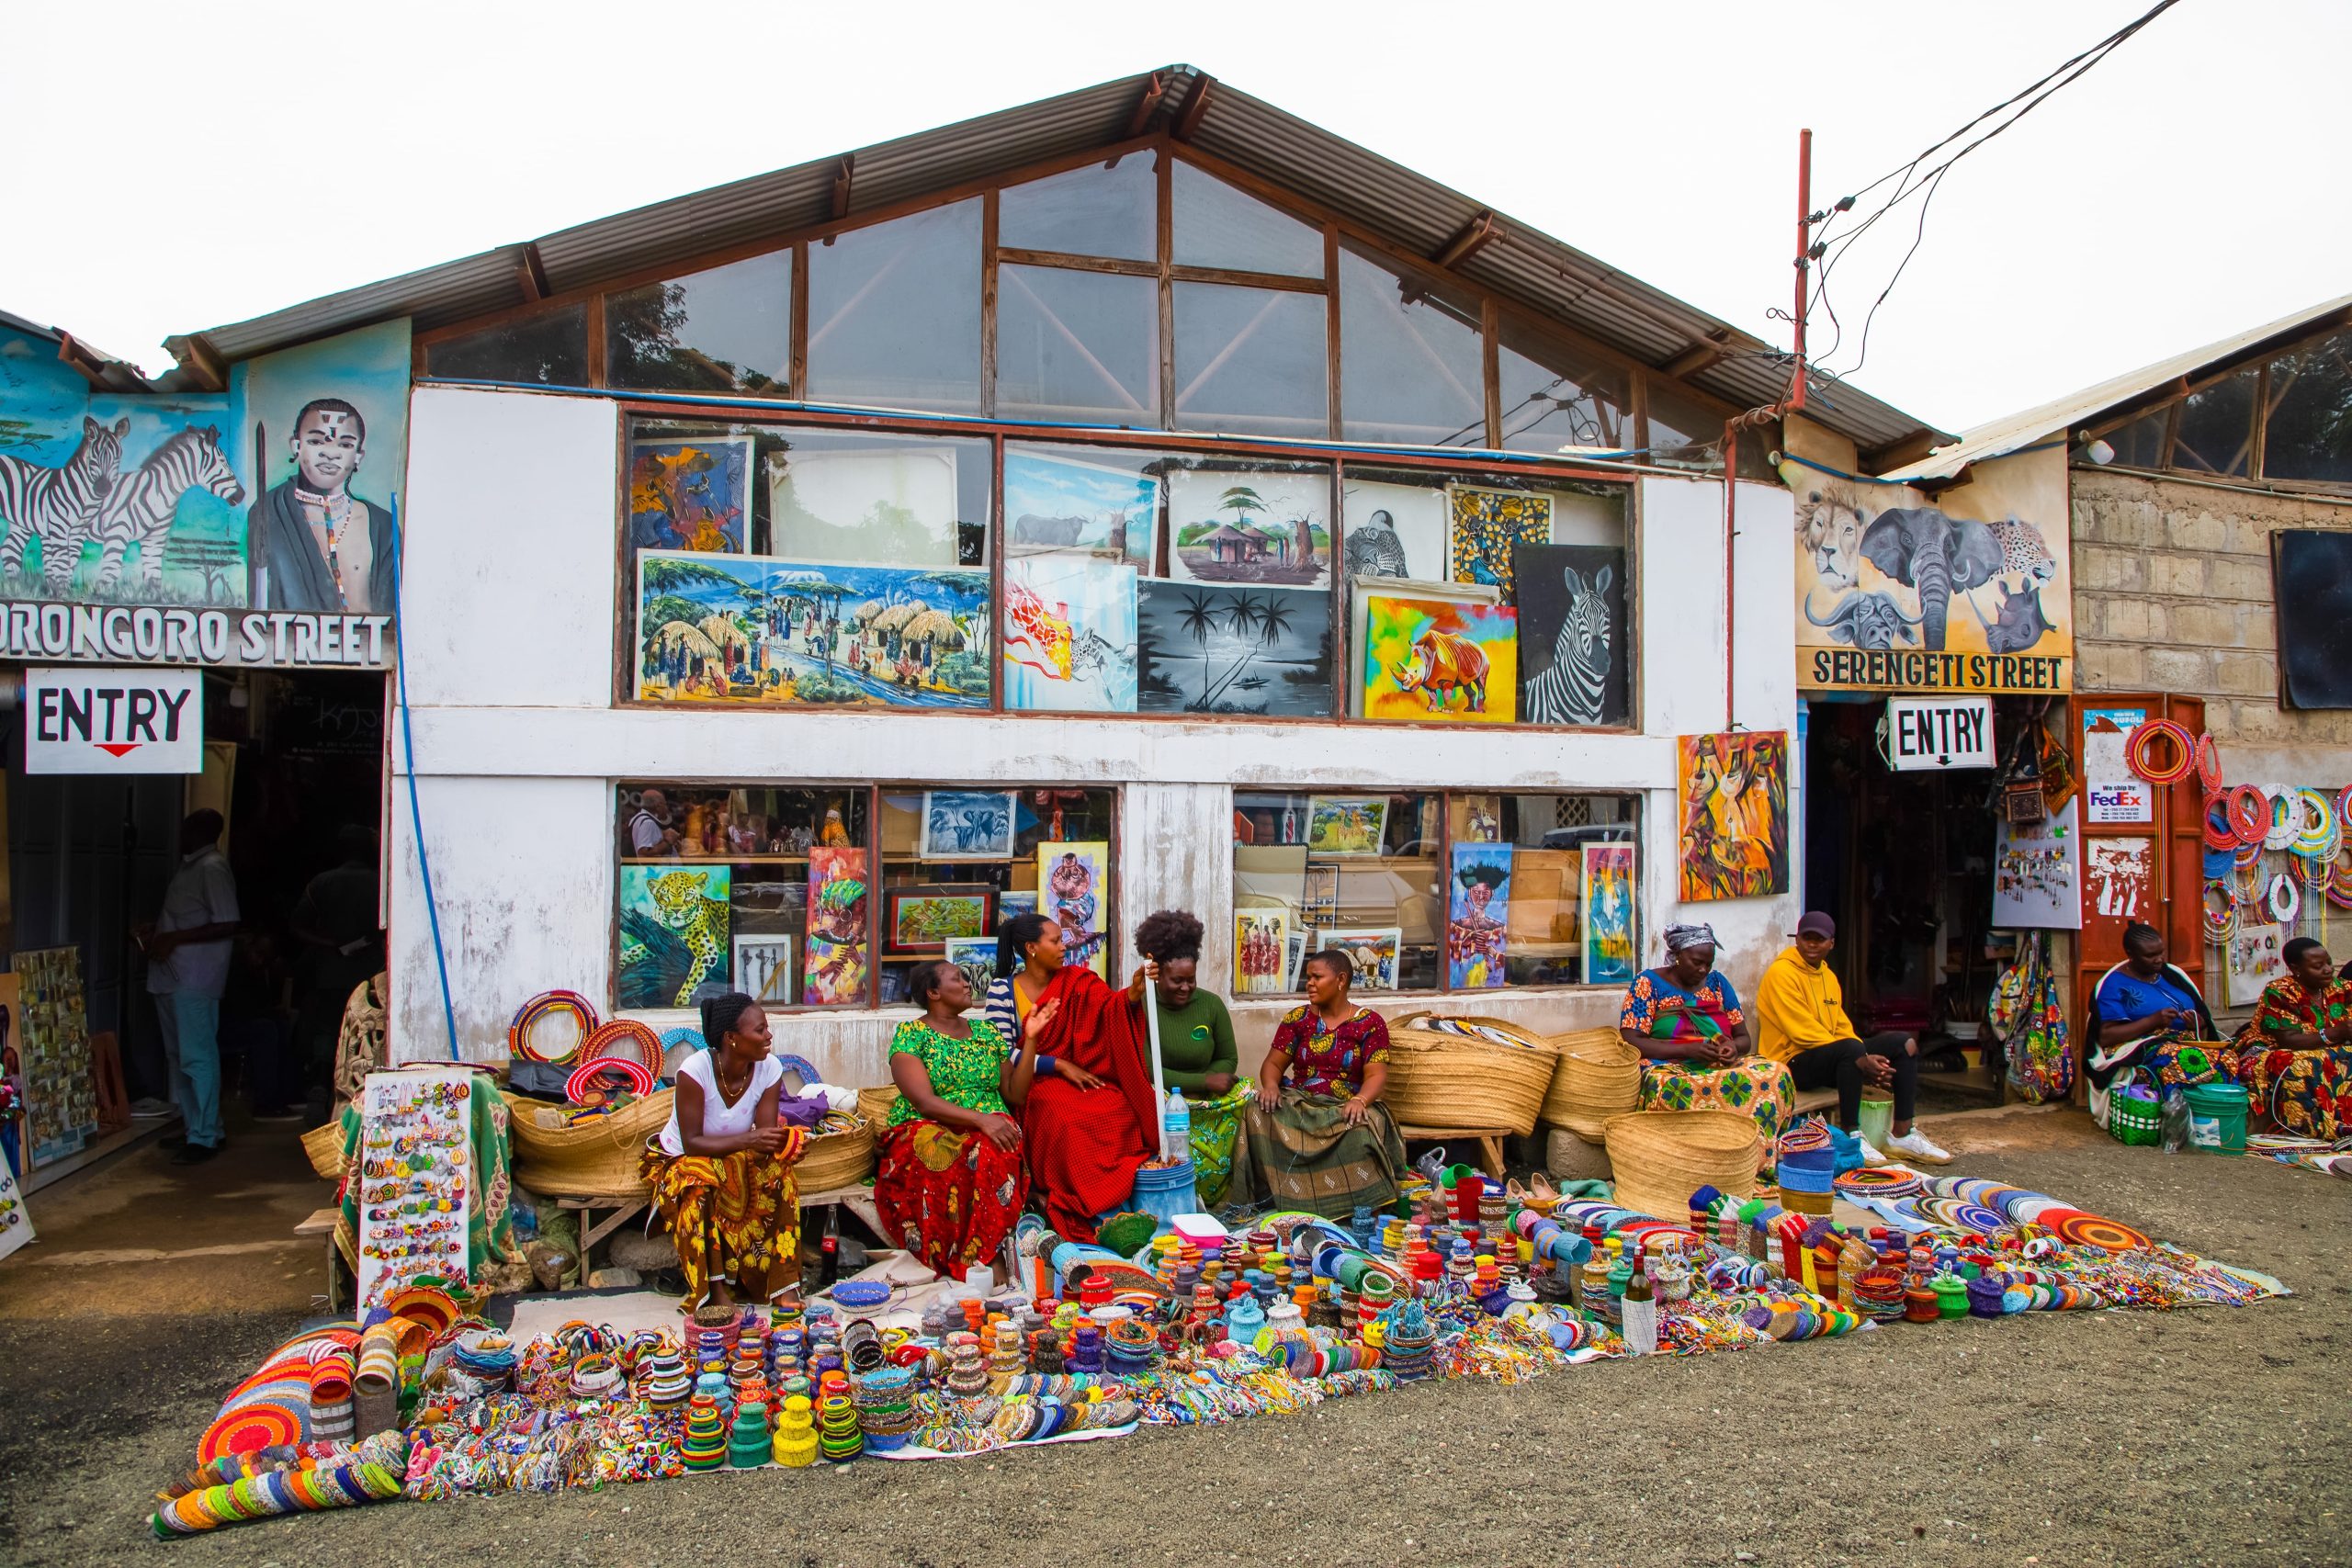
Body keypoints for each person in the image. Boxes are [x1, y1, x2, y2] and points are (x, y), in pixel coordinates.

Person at [983, 912, 1157, 1242]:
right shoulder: (1002, 992)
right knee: (1067, 1123)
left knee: (1117, 1105)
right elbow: (1001, 1051)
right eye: (1055, 941)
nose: (1064, 947)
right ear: (1032, 948)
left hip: (1080, 1077)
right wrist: (1058, 1065)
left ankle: (1125, 1203)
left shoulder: (1079, 980)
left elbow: (1108, 1011)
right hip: (1033, 1085)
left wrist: (1132, 996)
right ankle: (1091, 1211)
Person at [874, 958, 1046, 1277]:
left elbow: (1014, 1094)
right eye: (958, 978)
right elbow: (924, 1101)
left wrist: (1031, 1038)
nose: (967, 983)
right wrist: (980, 1120)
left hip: (987, 1125)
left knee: (992, 1150)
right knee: (935, 1148)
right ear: (933, 992)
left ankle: (984, 1254)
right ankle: (950, 1255)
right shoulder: (912, 1034)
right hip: (930, 1124)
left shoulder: (987, 1032)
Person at [640, 992, 809, 1308]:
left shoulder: (769, 1068)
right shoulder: (695, 1071)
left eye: (766, 1028)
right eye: (760, 1030)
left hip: (734, 1152)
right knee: (698, 1185)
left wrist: (788, 1144)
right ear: (731, 1038)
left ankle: (784, 1285)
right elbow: (693, 1143)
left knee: (782, 1178)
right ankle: (714, 1292)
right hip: (686, 1157)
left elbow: (764, 1136)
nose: (768, 1036)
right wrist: (751, 1142)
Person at [1754, 912, 1951, 1165]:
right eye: (1807, 938)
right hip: (1790, 1063)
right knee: (1850, 1051)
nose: (1812, 944)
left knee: (1904, 1044)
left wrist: (1863, 1054)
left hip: (1827, 1054)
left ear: (1831, 943)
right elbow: (1800, 1032)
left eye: (1820, 939)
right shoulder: (1781, 973)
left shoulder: (1829, 977)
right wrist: (1861, 1057)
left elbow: (1841, 1026)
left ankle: (1902, 1134)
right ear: (1797, 940)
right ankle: (1851, 1138)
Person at [1245, 949, 1408, 1219]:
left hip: (1346, 1107)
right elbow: (1273, 1065)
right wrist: (1271, 1086)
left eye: (1317, 977)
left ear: (1341, 979)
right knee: (1255, 1111)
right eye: (1308, 977)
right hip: (1302, 1104)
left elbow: (1376, 1075)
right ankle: (1277, 1198)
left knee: (1363, 1130)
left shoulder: (1369, 1023)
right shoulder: (1298, 1020)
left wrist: (1360, 1100)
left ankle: (1356, 1208)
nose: (1309, 983)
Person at [1617, 922, 1797, 1149]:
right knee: (1674, 1087)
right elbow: (1632, 1040)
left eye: (1708, 964)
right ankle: (1690, 1152)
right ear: (1678, 956)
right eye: (1697, 962)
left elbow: (1743, 1037)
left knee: (1777, 1074)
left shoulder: (1718, 983)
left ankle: (1752, 1152)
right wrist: (1687, 1050)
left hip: (1716, 1065)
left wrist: (1732, 1047)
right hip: (1667, 1066)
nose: (1703, 970)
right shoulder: (1648, 983)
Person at [136, 809, 241, 1166]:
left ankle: (205, 1137)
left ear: (198, 831)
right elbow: (191, 918)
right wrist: (161, 930)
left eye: (186, 827)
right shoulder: (190, 866)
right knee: (179, 1058)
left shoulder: (212, 866)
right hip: (172, 976)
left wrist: (174, 937)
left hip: (195, 978)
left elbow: (228, 922)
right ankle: (200, 1126)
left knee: (197, 1057)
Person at [1134, 909, 1250, 1208]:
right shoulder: (1142, 1008)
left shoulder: (1210, 1005)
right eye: (1176, 981)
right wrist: (1200, 1081)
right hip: (1163, 1100)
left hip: (1210, 1102)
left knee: (1252, 1101)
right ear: (1158, 975)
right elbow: (1146, 1069)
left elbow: (1228, 1057)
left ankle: (1231, 1196)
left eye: (1191, 980)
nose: (1185, 987)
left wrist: (1212, 1083)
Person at [251, 398, 398, 613]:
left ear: (358, 456)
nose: (330, 453)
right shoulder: (269, 511)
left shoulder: (383, 526)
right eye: (317, 441)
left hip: (371, 645)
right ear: (297, 446)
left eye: (345, 444)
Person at [2089, 922, 2233, 1115]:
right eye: (2150, 956)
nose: (2159, 960)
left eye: (2161, 953)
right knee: (2180, 1059)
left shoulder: (2172, 974)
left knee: (2228, 1059)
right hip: (2141, 1048)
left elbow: (2202, 1014)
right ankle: (2176, 1123)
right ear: (2131, 954)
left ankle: (2217, 1119)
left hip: (2185, 1042)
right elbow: (2106, 1036)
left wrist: (2199, 1023)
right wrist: (2153, 1021)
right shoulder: (2114, 984)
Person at [291, 826, 384, 1113]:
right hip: (371, 978)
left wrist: (330, 944)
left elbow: (296, 926)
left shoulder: (322, 882)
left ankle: (320, 1086)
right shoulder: (381, 883)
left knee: (328, 1033)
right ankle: (363, 1099)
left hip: (330, 974)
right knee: (368, 1038)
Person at [2233, 936, 2352, 1139]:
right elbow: (2288, 1040)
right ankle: (2306, 1129)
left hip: (2325, 1048)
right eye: (2318, 966)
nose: (2327, 969)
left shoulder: (2343, 989)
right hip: (2272, 1050)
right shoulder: (2280, 991)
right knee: (2303, 1063)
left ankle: (2344, 1124)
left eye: (2329, 963)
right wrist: (2334, 1033)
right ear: (2296, 969)